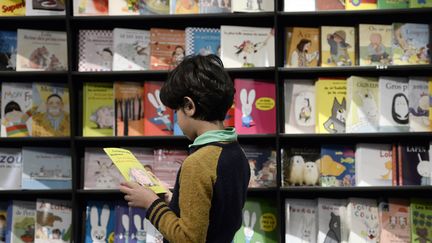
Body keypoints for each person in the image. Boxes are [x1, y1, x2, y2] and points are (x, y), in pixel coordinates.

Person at [119, 54, 250, 243]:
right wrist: (172, 199)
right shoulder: (237, 153)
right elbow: (215, 213)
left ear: (189, 106)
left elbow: (188, 239)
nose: (177, 119)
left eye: (176, 111)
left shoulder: (197, 163)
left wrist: (150, 203)